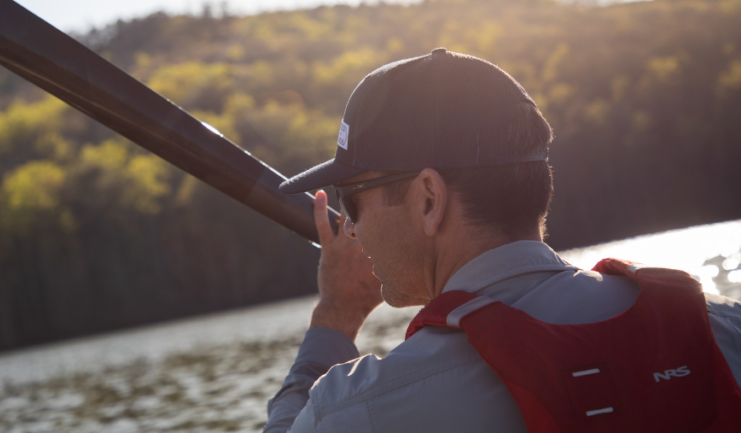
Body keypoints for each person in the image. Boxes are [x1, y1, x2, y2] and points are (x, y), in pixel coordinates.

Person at [264, 48, 741, 432]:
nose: (350, 228)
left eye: (351, 200)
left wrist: (336, 316)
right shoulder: (724, 327)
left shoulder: (356, 410)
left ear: (429, 199)